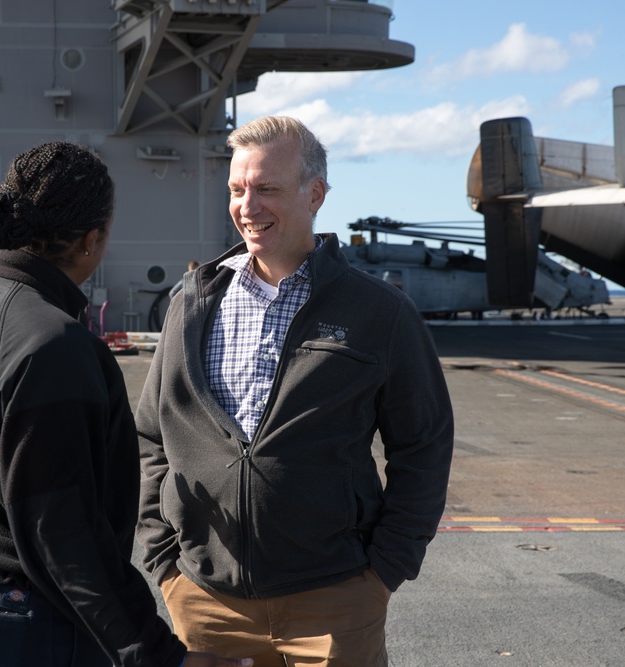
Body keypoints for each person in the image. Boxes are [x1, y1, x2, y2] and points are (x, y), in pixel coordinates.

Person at [0, 141, 252, 667]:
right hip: (21, 628)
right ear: (93, 239)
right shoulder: (56, 345)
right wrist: (160, 657)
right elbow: (62, 534)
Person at [136, 117, 455, 667]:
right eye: (237, 190)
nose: (248, 206)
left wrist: (383, 571)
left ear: (315, 195)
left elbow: (423, 445)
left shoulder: (379, 312)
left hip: (333, 601)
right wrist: (162, 559)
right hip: (205, 602)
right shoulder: (191, 303)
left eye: (267, 189)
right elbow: (151, 435)